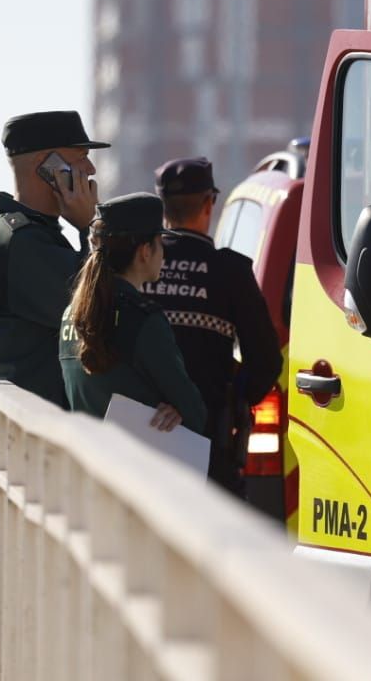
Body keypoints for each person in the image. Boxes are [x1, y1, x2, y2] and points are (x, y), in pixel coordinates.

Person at [143, 157, 282, 492]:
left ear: (162, 207)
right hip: (205, 444)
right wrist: (232, 397)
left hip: (138, 436)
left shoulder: (138, 262)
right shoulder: (230, 271)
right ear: (209, 203)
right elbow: (266, 361)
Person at [0, 111, 105, 408]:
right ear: (47, 166)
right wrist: (90, 229)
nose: (91, 169)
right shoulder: (21, 242)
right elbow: (98, 313)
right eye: (81, 157)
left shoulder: (8, 232)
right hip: (49, 422)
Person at [59, 193, 207, 431]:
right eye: (160, 243)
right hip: (130, 454)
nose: (164, 253)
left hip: (84, 450)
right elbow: (195, 413)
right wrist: (179, 410)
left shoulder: (71, 314)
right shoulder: (145, 320)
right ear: (145, 251)